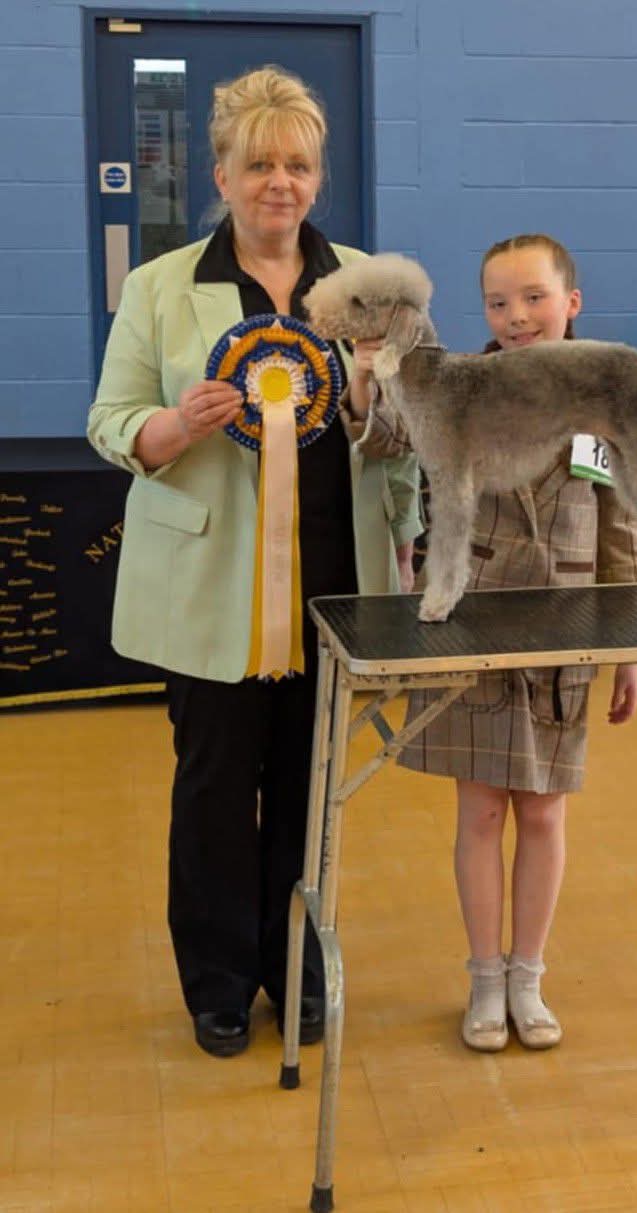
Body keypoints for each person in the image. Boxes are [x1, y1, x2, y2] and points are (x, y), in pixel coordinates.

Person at [87, 66, 422, 1058]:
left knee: (313, 787)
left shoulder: (370, 285)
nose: (281, 181)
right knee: (214, 790)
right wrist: (172, 425)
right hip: (207, 593)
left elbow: (407, 435)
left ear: (318, 179)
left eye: (299, 164)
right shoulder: (158, 288)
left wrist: (369, 405)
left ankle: (298, 967)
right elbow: (112, 423)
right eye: (259, 163)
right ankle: (220, 983)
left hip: (334, 584)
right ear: (221, 176)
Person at [343, 233, 637, 1051]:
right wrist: (369, 382)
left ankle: (528, 977)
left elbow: (621, 530)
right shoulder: (449, 388)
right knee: (479, 810)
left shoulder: (602, 402)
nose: (517, 317)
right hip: (470, 620)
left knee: (543, 813)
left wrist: (624, 648)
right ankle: (483, 977)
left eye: (534, 298)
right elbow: (380, 441)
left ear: (571, 303)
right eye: (499, 303)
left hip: (566, 627)